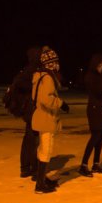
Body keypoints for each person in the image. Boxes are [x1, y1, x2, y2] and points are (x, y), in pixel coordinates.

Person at [31, 46, 70, 193]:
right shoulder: (47, 78)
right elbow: (45, 99)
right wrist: (61, 104)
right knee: (46, 150)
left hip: (42, 117)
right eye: (55, 62)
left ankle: (42, 179)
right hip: (46, 118)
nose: (57, 65)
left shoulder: (40, 75)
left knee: (43, 149)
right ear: (51, 63)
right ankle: (40, 185)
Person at [78, 54, 102, 177]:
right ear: (96, 64)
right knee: (95, 136)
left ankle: (96, 163)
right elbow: (100, 92)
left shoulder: (99, 76)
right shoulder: (91, 77)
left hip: (101, 108)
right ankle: (83, 165)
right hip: (94, 109)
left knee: (101, 136)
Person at [14, 46, 41, 179]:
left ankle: (25, 167)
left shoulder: (29, 68)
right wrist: (35, 86)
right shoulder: (32, 70)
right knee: (33, 139)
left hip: (28, 109)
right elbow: (19, 83)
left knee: (28, 139)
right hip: (31, 110)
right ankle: (33, 168)